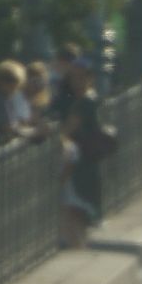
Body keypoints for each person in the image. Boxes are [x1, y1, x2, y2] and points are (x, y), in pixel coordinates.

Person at [54, 59, 110, 247]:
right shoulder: (88, 98)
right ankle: (78, 244)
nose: (76, 81)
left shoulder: (85, 102)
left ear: (90, 78)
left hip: (80, 164)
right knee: (77, 210)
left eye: (81, 77)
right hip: (87, 160)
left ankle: (76, 245)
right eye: (73, 77)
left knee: (74, 208)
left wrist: (53, 135)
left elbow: (67, 130)